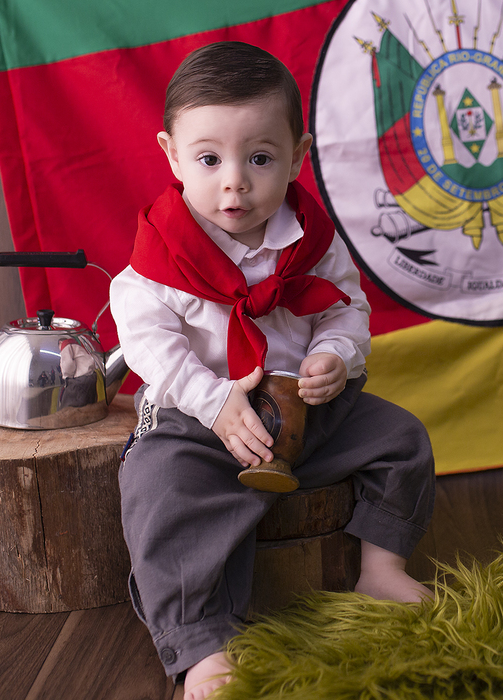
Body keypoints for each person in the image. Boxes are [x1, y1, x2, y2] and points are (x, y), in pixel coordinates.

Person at [110, 41, 436, 700]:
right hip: (205, 420)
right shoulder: (162, 254)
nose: (235, 181)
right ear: (172, 154)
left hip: (307, 411)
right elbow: (150, 342)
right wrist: (211, 400)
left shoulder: (311, 240)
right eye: (209, 159)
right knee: (159, 489)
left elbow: (344, 309)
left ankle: (381, 567)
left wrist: (333, 359)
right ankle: (200, 644)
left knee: (401, 439)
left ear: (298, 155)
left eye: (260, 158)